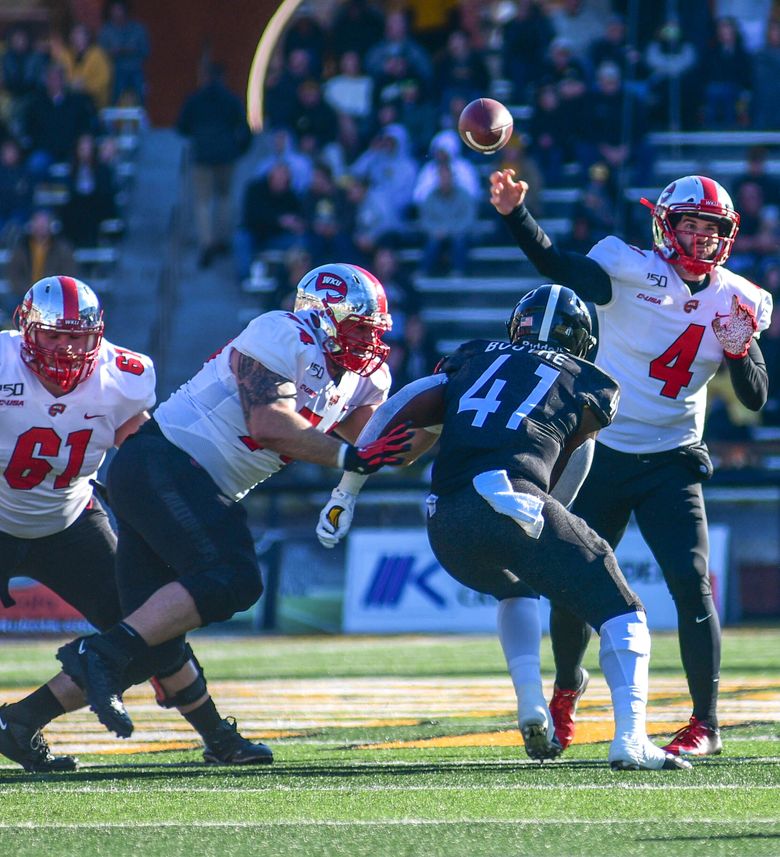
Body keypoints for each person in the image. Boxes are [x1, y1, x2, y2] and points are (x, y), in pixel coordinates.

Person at [316, 284, 691, 771]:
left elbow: (397, 409)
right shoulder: (587, 382)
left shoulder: (473, 357)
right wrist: (547, 533)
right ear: (580, 340)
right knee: (623, 611)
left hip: (446, 519)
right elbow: (571, 473)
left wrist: (345, 493)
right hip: (511, 496)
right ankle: (632, 739)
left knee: (515, 590)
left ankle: (532, 701)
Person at [53, 263, 412, 741]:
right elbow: (269, 423)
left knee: (154, 637)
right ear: (323, 317)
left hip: (194, 481)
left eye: (374, 331)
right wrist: (351, 458)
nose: (369, 342)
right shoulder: (282, 332)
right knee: (234, 577)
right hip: (163, 461)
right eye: (358, 328)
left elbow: (378, 445)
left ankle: (23, 722)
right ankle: (99, 654)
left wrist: (439, 414)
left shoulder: (366, 378)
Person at [489, 169, 772, 757]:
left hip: (672, 459)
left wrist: (742, 349)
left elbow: (755, 398)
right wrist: (518, 214)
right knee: (575, 583)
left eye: (712, 229)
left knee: (692, 588)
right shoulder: (626, 266)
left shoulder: (739, 298)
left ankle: (706, 725)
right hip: (602, 450)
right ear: (666, 228)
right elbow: (558, 267)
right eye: (691, 227)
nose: (702, 240)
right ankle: (567, 688)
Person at [0, 276, 273, 771]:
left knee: (149, 631)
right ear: (27, 330)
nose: (65, 348)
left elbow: (139, 454)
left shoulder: (124, 376)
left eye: (75, 336)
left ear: (96, 334)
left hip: (69, 519)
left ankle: (20, 723)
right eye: (53, 335)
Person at [176, 62, 252, 269]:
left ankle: (207, 242)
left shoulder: (195, 100)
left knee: (202, 202)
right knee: (225, 198)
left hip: (202, 155)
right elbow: (245, 129)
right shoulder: (231, 99)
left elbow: (182, 126)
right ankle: (223, 239)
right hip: (226, 155)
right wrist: (238, 150)